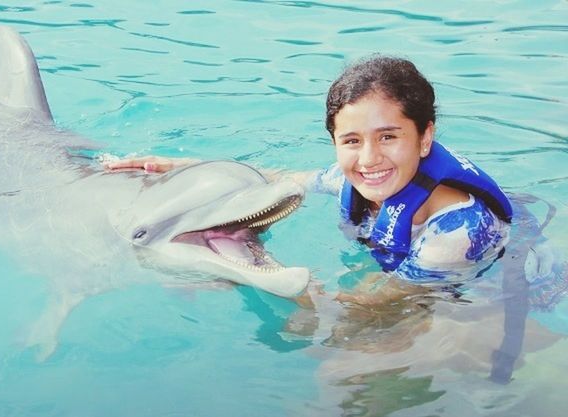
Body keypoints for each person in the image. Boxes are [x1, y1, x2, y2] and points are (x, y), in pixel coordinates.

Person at [104, 55, 512, 289]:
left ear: (425, 138)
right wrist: (179, 165)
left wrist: (276, 283)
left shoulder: (453, 235)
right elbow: (285, 178)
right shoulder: (350, 181)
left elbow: (384, 310)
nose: (369, 159)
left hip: (486, 305)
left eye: (388, 137)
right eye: (352, 141)